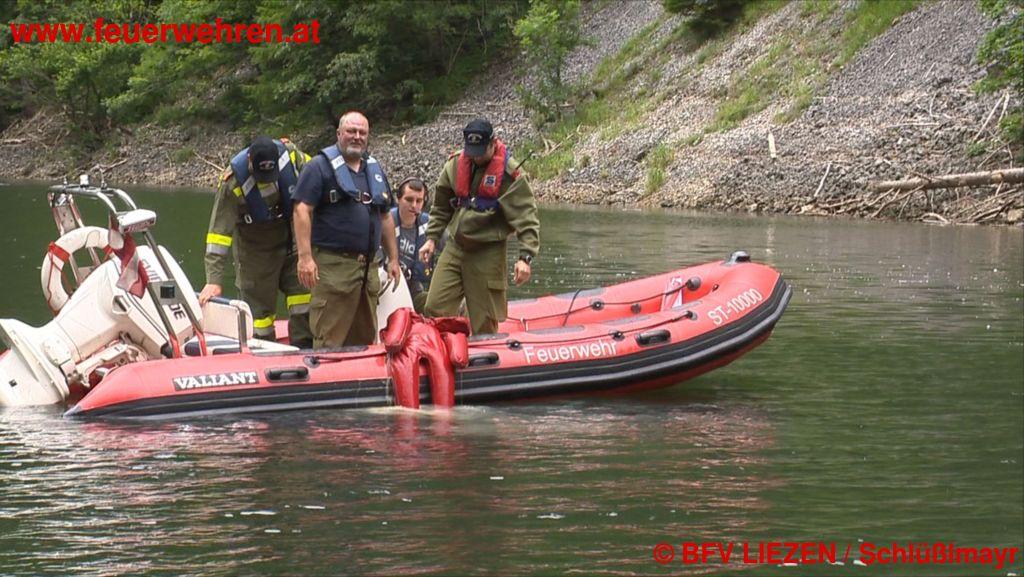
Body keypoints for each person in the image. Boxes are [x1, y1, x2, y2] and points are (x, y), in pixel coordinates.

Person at [419, 118, 540, 335]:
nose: (475, 157)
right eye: (472, 151)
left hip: (488, 251)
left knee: (485, 320)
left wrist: (525, 257)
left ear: (493, 143)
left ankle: (484, 351)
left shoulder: (509, 174)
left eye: (481, 151)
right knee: (434, 306)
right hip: (456, 246)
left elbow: (526, 216)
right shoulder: (455, 165)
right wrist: (431, 239)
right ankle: (450, 344)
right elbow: (441, 207)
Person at [292, 111, 401, 348]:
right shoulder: (318, 167)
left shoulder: (374, 169)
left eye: (362, 132)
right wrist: (305, 258)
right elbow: (301, 211)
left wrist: (393, 258)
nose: (357, 137)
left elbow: (385, 216)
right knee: (329, 340)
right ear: (339, 134)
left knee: (365, 340)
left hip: (368, 270)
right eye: (351, 131)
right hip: (334, 270)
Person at [200, 135, 313, 348]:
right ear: (250, 160)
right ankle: (263, 349)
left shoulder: (292, 156)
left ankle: (305, 347)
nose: (267, 179)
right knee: (259, 315)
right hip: (255, 251)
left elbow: (316, 176)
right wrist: (213, 280)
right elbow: (218, 234)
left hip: (293, 241)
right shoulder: (233, 181)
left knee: (303, 298)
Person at [387, 177, 444, 313]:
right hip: (386, 290)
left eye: (419, 201)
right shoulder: (385, 222)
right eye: (409, 200)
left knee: (437, 304)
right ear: (398, 199)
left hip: (413, 291)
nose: (414, 205)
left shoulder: (430, 225)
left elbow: (454, 248)